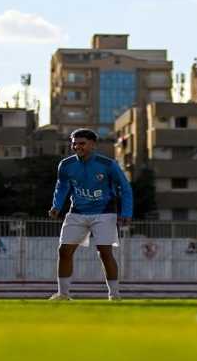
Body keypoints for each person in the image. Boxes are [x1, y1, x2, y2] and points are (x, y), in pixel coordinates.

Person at [48, 128, 133, 301]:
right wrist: (56, 205)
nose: (77, 146)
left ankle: (114, 295)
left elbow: (125, 188)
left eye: (82, 143)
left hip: (104, 213)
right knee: (64, 251)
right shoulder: (65, 165)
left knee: (105, 253)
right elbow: (62, 186)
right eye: (74, 143)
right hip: (77, 212)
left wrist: (126, 212)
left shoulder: (108, 165)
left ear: (93, 145)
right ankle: (63, 294)